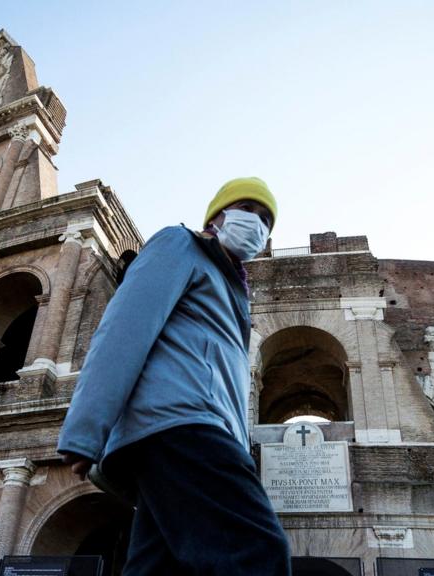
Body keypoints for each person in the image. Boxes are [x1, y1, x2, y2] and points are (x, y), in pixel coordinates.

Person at [56, 177, 292, 576]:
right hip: (182, 427)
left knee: (157, 569)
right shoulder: (178, 246)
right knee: (257, 552)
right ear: (218, 215)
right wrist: (84, 432)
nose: (258, 225)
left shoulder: (233, 291)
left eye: (266, 220)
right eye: (249, 210)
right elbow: (123, 330)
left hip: (189, 435)